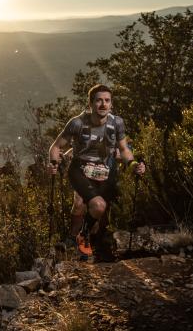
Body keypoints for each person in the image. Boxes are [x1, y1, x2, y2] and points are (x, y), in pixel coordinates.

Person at [48, 84, 145, 260]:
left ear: (111, 104)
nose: (103, 104)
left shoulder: (117, 123)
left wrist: (133, 164)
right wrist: (53, 162)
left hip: (104, 170)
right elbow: (56, 146)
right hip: (79, 169)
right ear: (91, 103)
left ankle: (93, 241)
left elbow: (123, 149)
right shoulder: (77, 123)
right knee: (90, 204)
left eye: (107, 101)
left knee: (101, 210)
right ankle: (78, 236)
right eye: (99, 100)